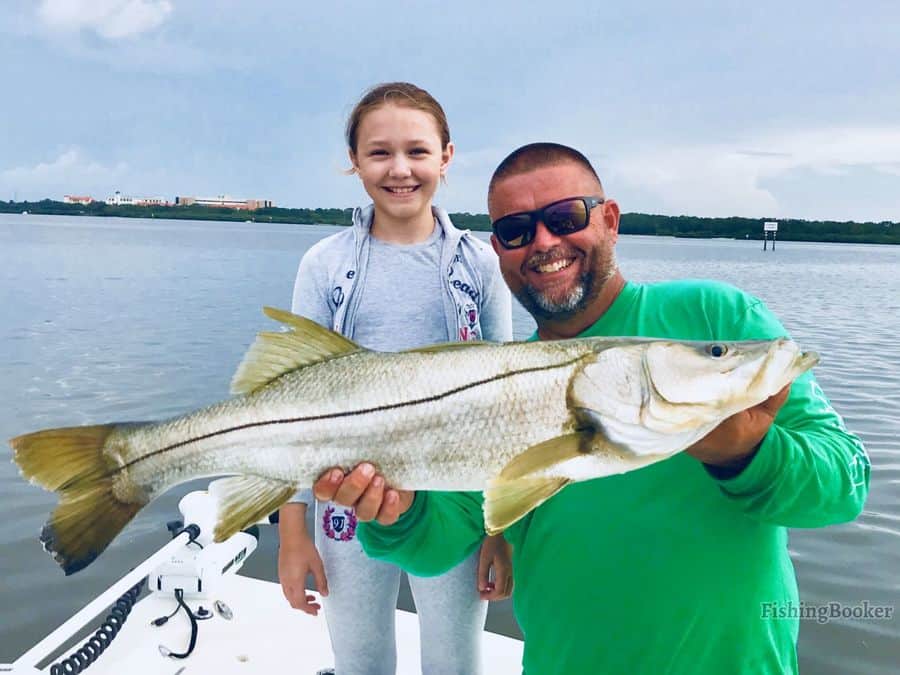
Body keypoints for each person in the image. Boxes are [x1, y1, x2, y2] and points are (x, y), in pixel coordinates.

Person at [309, 143, 871, 674]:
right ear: (499, 251)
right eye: (516, 230)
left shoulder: (714, 314)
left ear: (610, 220)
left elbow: (845, 485)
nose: (544, 242)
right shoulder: (490, 386)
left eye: (567, 216)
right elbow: (434, 546)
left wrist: (747, 455)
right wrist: (392, 513)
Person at [277, 83, 514, 675]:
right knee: (359, 657)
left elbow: (508, 406)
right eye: (380, 153)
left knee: (454, 658)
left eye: (418, 151)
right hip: (346, 501)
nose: (400, 169)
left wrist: (501, 529)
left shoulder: (480, 264)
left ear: (447, 158)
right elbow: (290, 411)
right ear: (353, 161)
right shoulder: (324, 264)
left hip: (456, 502)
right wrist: (292, 534)